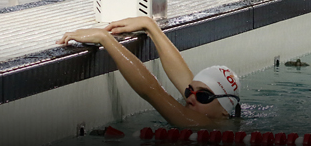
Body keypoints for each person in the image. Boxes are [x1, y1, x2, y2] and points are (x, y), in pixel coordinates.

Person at [58, 17, 241, 126]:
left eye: (203, 96)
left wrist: (105, 39)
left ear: (225, 111)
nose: (190, 98)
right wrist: (150, 26)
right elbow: (183, 77)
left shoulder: (204, 126)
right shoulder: (211, 112)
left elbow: (152, 91)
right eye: (189, 91)